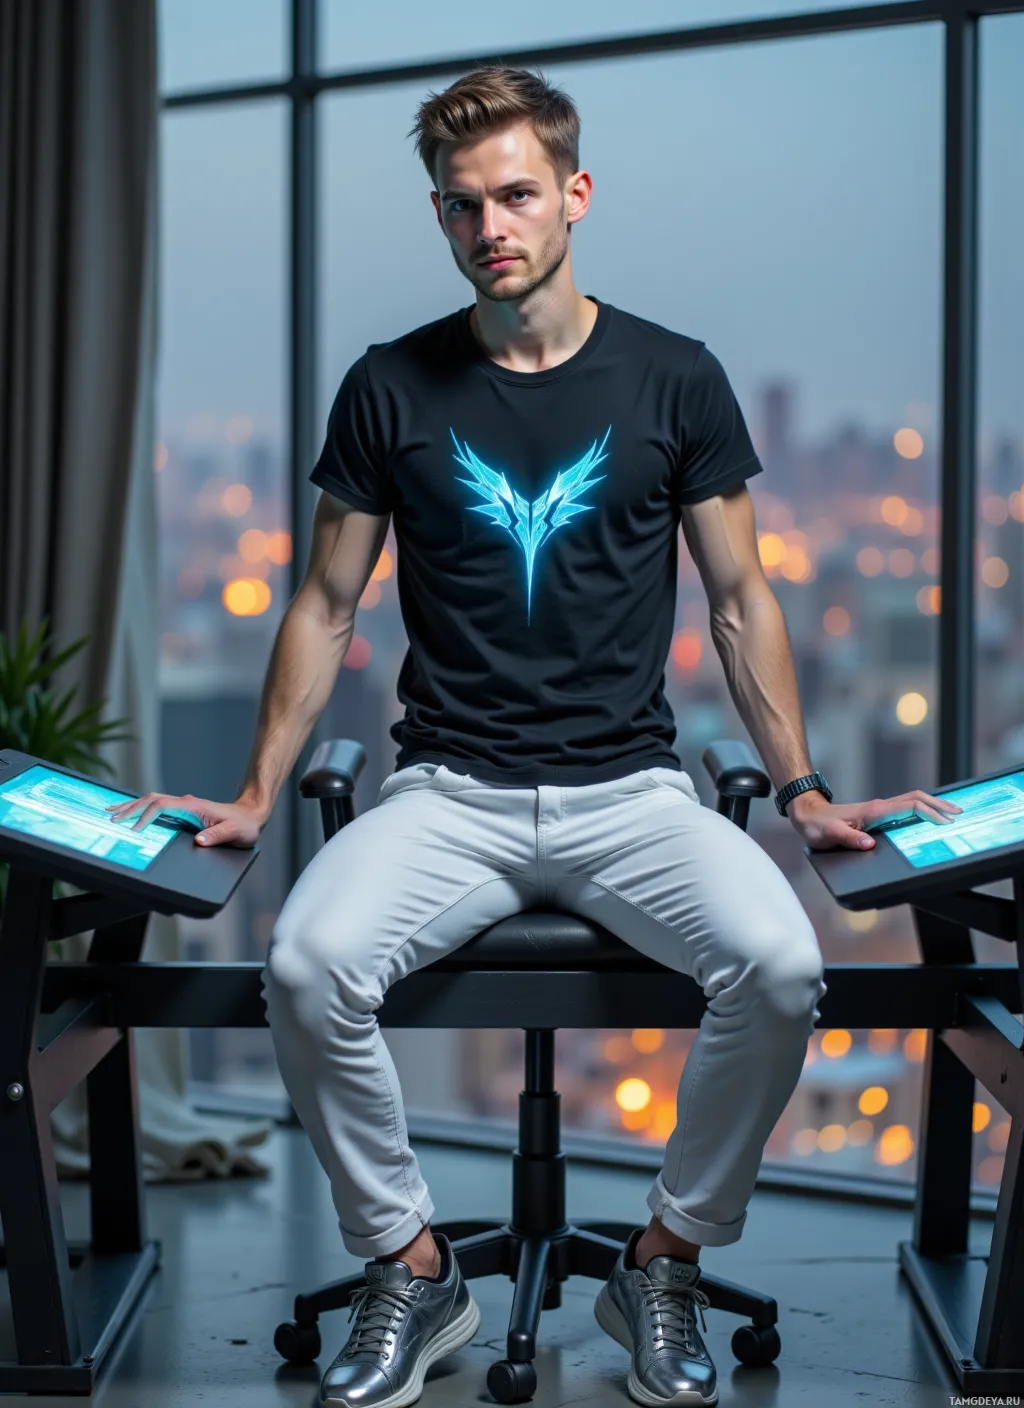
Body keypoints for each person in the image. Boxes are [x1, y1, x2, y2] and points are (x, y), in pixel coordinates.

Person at [110, 63, 961, 1408]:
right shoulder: (391, 387)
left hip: (633, 792)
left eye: (515, 194)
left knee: (784, 967)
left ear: (575, 194)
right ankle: (413, 1264)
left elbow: (742, 600)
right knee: (305, 964)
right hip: (449, 793)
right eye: (460, 205)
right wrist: (258, 789)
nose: (489, 224)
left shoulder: (675, 379)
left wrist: (797, 786)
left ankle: (662, 1261)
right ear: (439, 218)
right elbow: (326, 602)